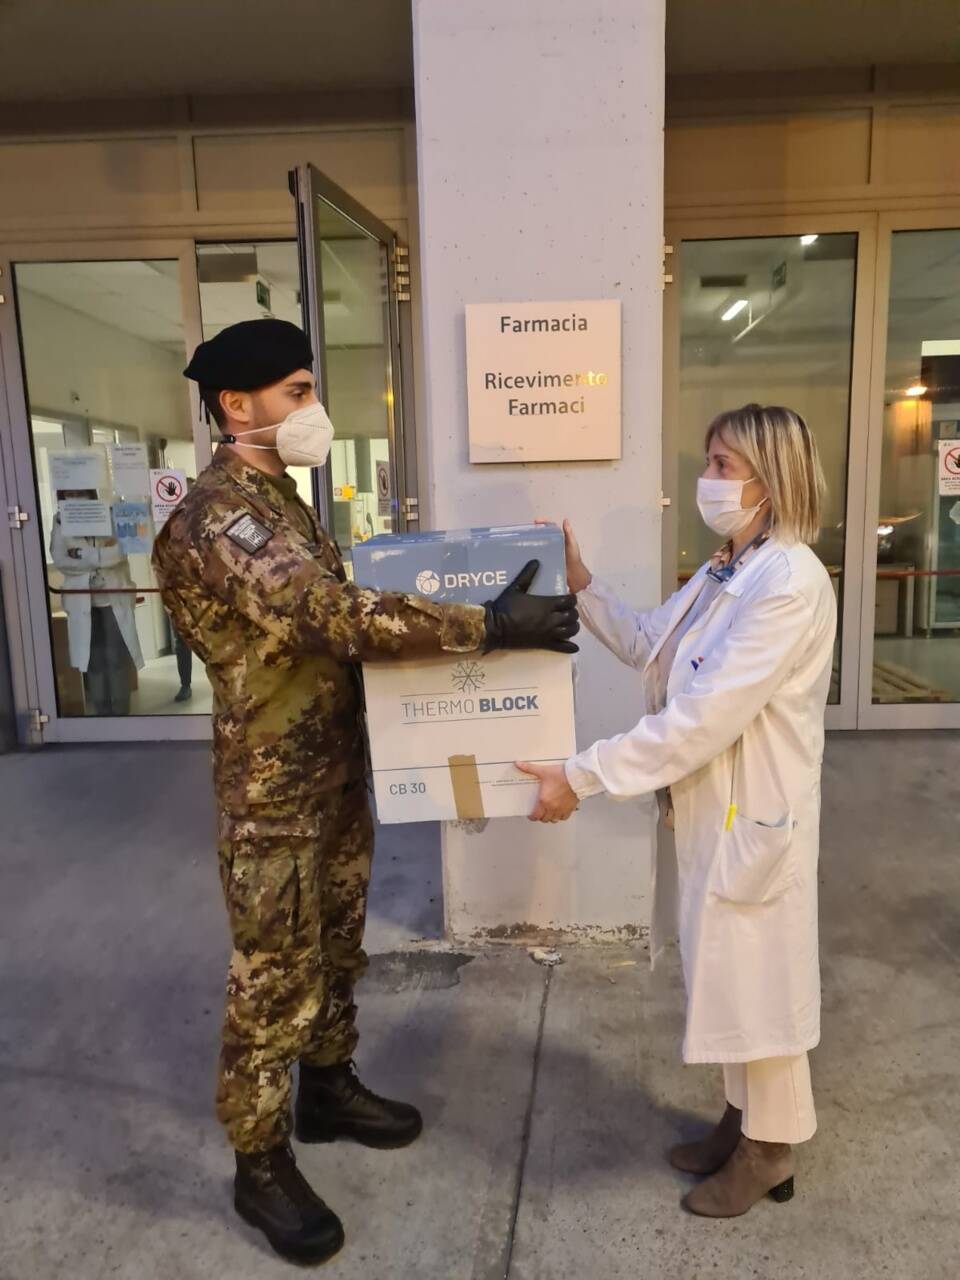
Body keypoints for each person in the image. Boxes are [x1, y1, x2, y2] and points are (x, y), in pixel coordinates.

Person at [152, 318, 578, 1266]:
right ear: (238, 403)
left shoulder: (282, 499)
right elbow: (330, 614)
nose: (313, 409)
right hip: (272, 791)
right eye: (297, 391)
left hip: (332, 770)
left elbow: (341, 600)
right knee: (271, 973)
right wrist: (487, 622)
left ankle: (329, 1087)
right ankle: (258, 1162)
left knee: (336, 941)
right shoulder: (222, 514)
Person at [520, 404, 836, 1219]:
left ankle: (771, 1151)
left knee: (760, 982)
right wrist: (581, 582)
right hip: (715, 814)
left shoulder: (790, 580)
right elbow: (649, 642)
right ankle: (743, 1122)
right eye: (710, 459)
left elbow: (700, 721)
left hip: (753, 813)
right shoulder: (731, 566)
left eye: (724, 465)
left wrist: (578, 776)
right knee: (731, 977)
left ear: (772, 477)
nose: (708, 479)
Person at [50, 489, 144, 716]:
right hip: (83, 600)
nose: (75, 495)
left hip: (114, 598)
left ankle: (121, 716)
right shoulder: (60, 519)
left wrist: (81, 554)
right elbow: (61, 560)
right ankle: (102, 717)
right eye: (70, 493)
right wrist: (101, 557)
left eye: (79, 491)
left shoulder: (113, 513)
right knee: (93, 662)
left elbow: (122, 551)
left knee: (117, 661)